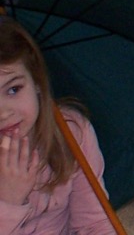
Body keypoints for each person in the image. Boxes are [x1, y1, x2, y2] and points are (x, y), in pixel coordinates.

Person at [0, 20, 116, 235]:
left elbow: (94, 223)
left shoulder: (70, 132)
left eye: (14, 89)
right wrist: (9, 201)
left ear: (37, 81)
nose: (3, 113)